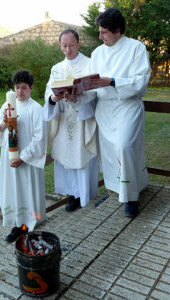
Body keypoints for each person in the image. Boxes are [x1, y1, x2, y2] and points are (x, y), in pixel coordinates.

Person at [80, 8, 151, 216]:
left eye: (104, 32)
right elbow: (90, 86)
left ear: (117, 30)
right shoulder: (97, 53)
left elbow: (141, 82)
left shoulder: (136, 48)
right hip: (106, 110)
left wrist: (111, 81)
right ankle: (117, 189)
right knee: (111, 153)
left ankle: (131, 197)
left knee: (125, 146)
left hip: (127, 107)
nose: (100, 36)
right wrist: (75, 93)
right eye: (100, 31)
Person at [43, 29, 99, 212]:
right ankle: (71, 194)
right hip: (62, 116)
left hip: (81, 118)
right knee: (65, 156)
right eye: (64, 45)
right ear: (60, 46)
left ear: (78, 44)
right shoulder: (56, 68)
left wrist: (78, 98)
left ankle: (84, 193)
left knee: (80, 154)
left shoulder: (89, 64)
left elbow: (95, 91)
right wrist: (52, 99)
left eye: (71, 45)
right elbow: (48, 92)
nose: (68, 49)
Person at [0, 69, 47, 243]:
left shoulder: (36, 109)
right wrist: (2, 124)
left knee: (25, 189)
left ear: (30, 88)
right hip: (9, 157)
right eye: (17, 87)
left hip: (26, 160)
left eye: (23, 87)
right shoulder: (7, 106)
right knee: (12, 189)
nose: (20, 92)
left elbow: (40, 138)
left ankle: (25, 223)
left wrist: (23, 157)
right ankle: (16, 222)